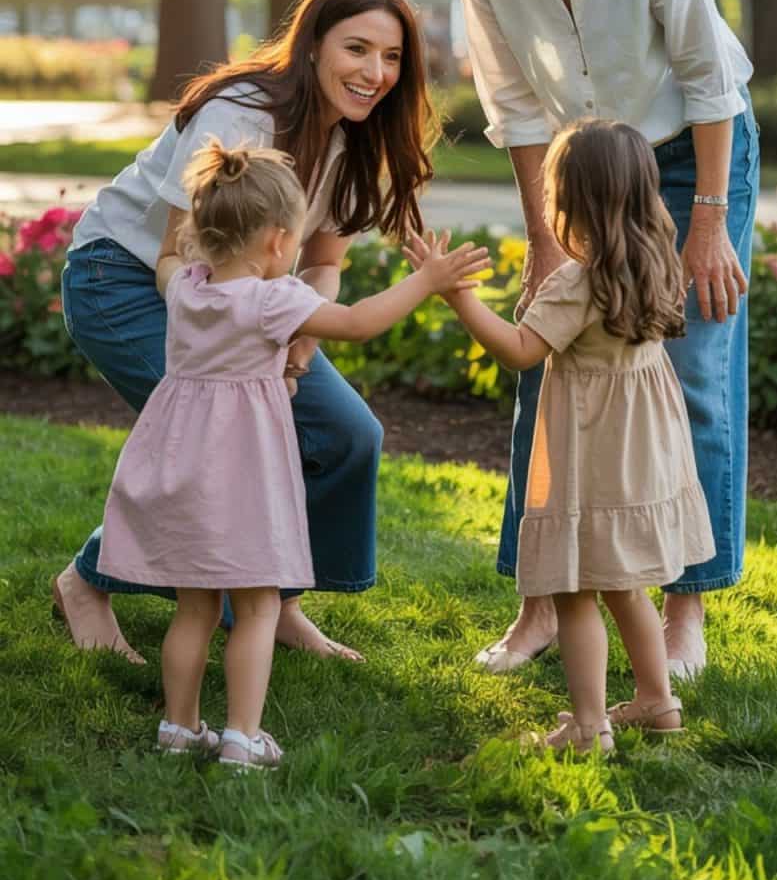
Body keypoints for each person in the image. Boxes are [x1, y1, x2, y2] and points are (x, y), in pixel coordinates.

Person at [439, 0, 759, 679]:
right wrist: (545, 240)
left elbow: (708, 79)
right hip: (580, 168)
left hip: (690, 152)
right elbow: (511, 101)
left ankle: (685, 607)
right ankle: (539, 605)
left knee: (690, 368)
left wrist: (706, 223)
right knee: (548, 358)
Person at [57, 0, 441, 666]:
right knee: (215, 442)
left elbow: (323, 263)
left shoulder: (359, 137)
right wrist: (251, 359)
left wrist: (295, 345)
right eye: (357, 49)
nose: (375, 72)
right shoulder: (242, 112)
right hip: (129, 279)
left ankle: (275, 602)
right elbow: (183, 252)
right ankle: (86, 582)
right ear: (315, 44)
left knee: (346, 434)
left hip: (238, 299)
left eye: (391, 58)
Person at [101, 138, 487, 769]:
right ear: (280, 242)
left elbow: (167, 262)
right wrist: (428, 279)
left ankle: (179, 728)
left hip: (180, 462)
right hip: (242, 472)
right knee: (255, 605)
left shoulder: (187, 289)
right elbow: (360, 320)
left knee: (196, 607)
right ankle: (243, 737)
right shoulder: (273, 301)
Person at [406, 119, 715, 754]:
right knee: (625, 581)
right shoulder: (654, 260)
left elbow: (522, 351)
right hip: (642, 451)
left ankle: (587, 724)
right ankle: (657, 701)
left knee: (575, 589)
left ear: (570, 200)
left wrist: (457, 297)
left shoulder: (579, 281)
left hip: (592, 450)